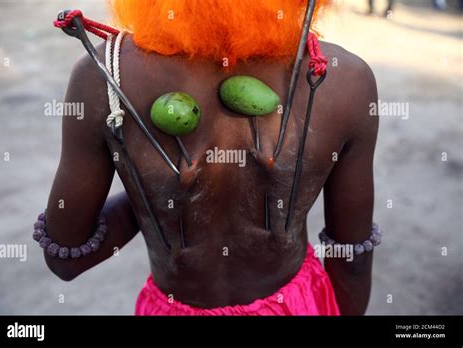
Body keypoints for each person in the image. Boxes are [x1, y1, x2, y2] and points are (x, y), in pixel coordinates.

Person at [38, 0, 379, 315]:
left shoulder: (103, 76)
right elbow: (350, 259)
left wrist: (153, 195)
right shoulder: (345, 80)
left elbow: (67, 258)